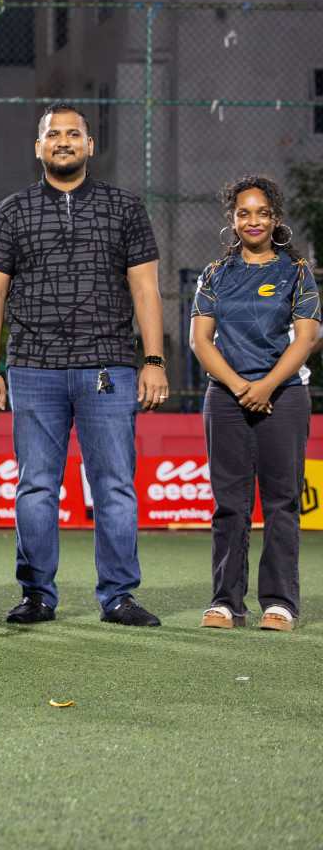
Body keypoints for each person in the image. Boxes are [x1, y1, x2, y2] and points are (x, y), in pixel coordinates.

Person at [0, 102, 168, 627]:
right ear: (38, 147)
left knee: (115, 485)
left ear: (90, 145)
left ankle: (119, 596)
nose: (63, 141)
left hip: (107, 364)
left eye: (73, 134)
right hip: (33, 367)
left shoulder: (124, 207)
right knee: (37, 485)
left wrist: (152, 359)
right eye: (52, 135)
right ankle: (36, 595)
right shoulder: (13, 210)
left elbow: (146, 286)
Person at [190, 175, 318, 632]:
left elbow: (306, 338)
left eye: (262, 212)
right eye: (244, 212)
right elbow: (200, 340)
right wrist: (241, 386)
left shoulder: (296, 271)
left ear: (276, 219)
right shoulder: (214, 274)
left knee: (281, 502)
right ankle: (226, 603)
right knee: (229, 503)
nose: (254, 220)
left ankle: (280, 603)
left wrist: (265, 386)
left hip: (284, 396)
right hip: (225, 397)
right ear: (232, 219)